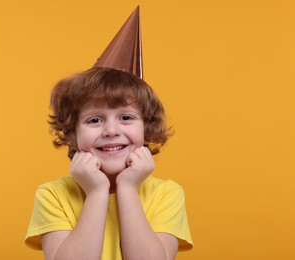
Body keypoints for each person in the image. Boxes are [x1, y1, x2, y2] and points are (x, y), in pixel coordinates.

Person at [25, 7, 193, 260]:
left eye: (126, 117)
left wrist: (127, 188)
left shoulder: (166, 194)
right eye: (95, 120)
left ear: (147, 129)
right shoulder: (54, 194)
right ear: (72, 135)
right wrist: (95, 192)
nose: (112, 131)